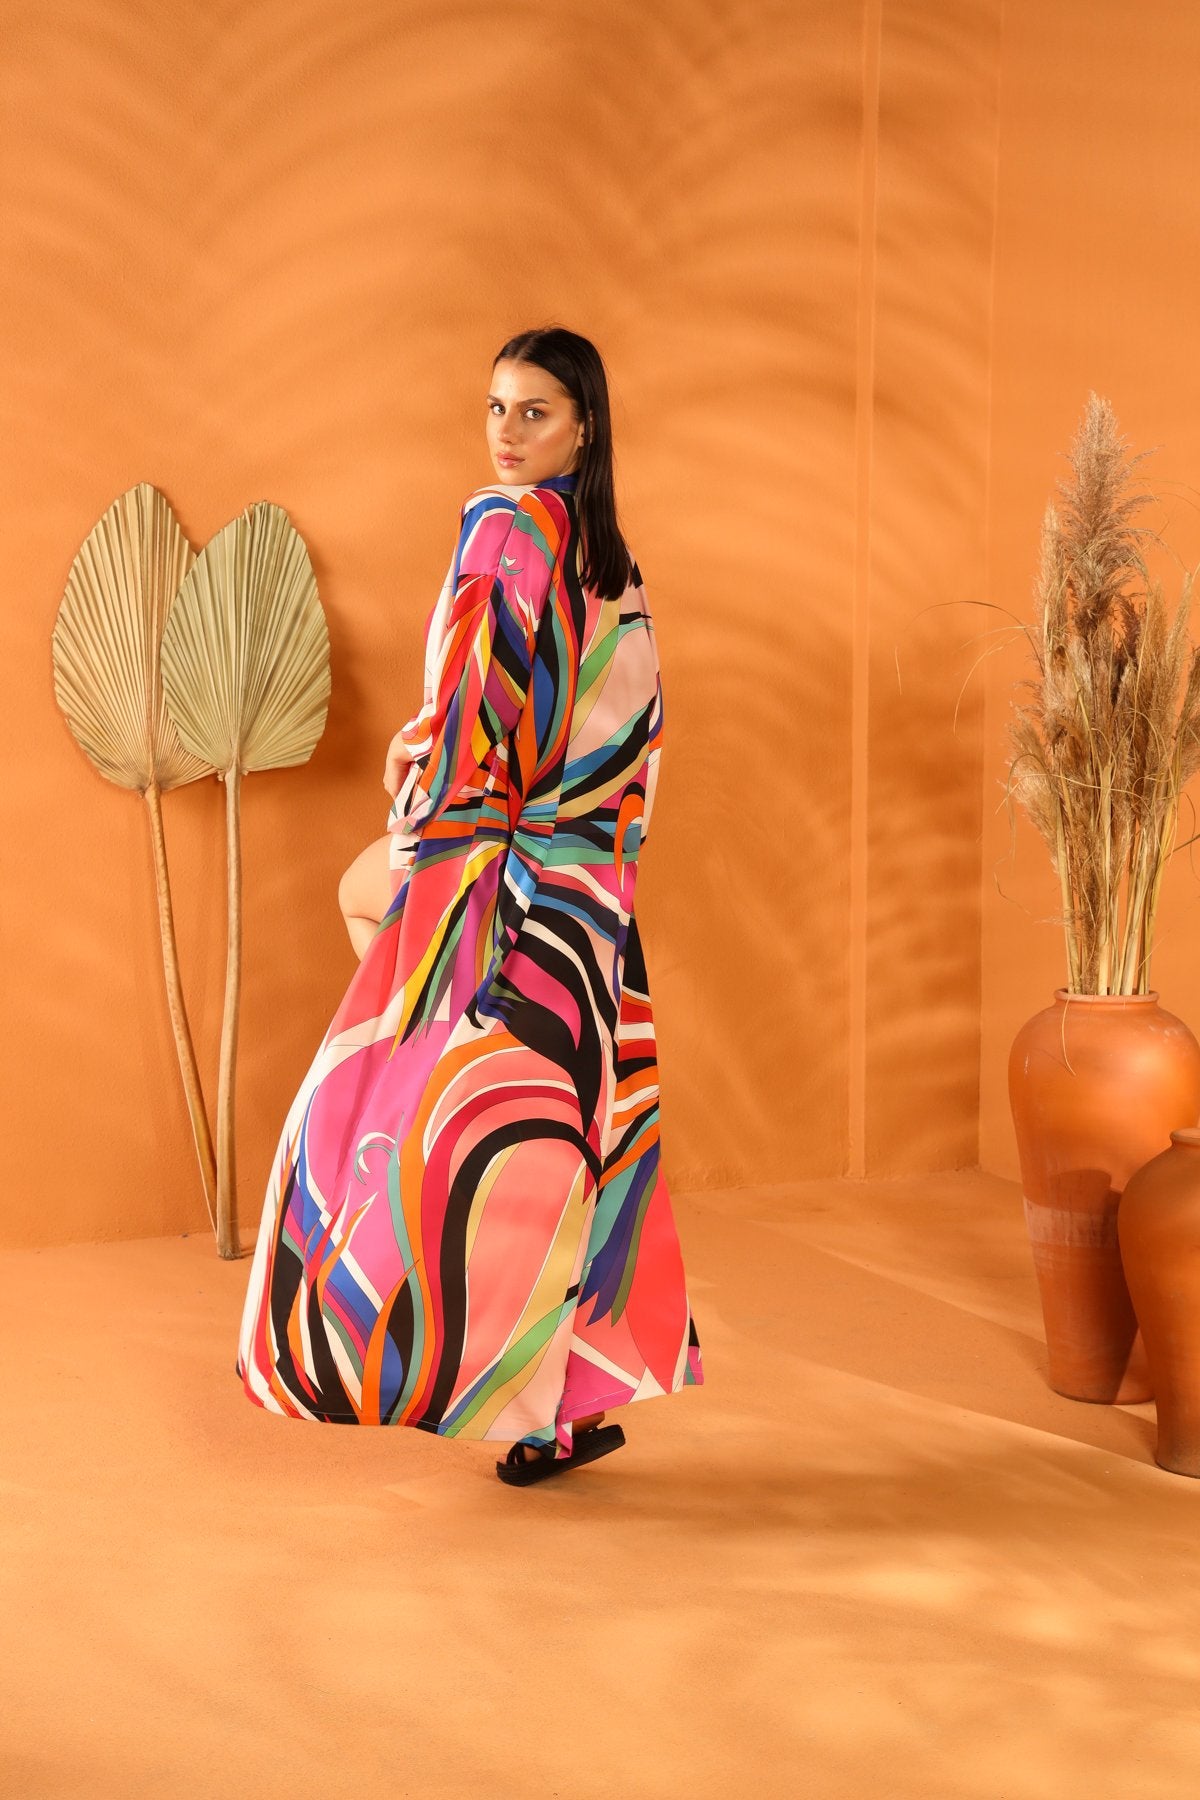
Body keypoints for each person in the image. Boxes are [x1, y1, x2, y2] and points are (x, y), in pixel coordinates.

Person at [234, 324, 703, 1486]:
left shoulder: (506, 529)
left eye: (533, 411)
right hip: (591, 890)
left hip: (500, 862)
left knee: (445, 1113)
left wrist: (423, 812)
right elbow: (637, 733)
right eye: (495, 407)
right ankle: (563, 1409)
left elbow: (475, 704)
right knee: (562, 1135)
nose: (506, 432)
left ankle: (414, 1351)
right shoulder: (617, 566)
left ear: (583, 428)